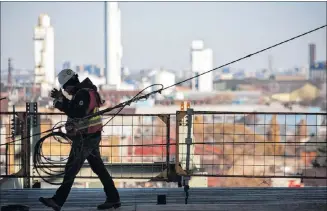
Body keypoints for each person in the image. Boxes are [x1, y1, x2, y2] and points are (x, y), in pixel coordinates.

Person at [39, 69, 120, 211]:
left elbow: (78, 112)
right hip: (90, 135)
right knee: (99, 168)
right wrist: (62, 99)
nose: (66, 91)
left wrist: (61, 104)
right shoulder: (84, 92)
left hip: (86, 138)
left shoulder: (83, 93)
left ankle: (57, 201)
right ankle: (113, 198)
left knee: (71, 169)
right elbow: (77, 107)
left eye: (65, 88)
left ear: (69, 84)